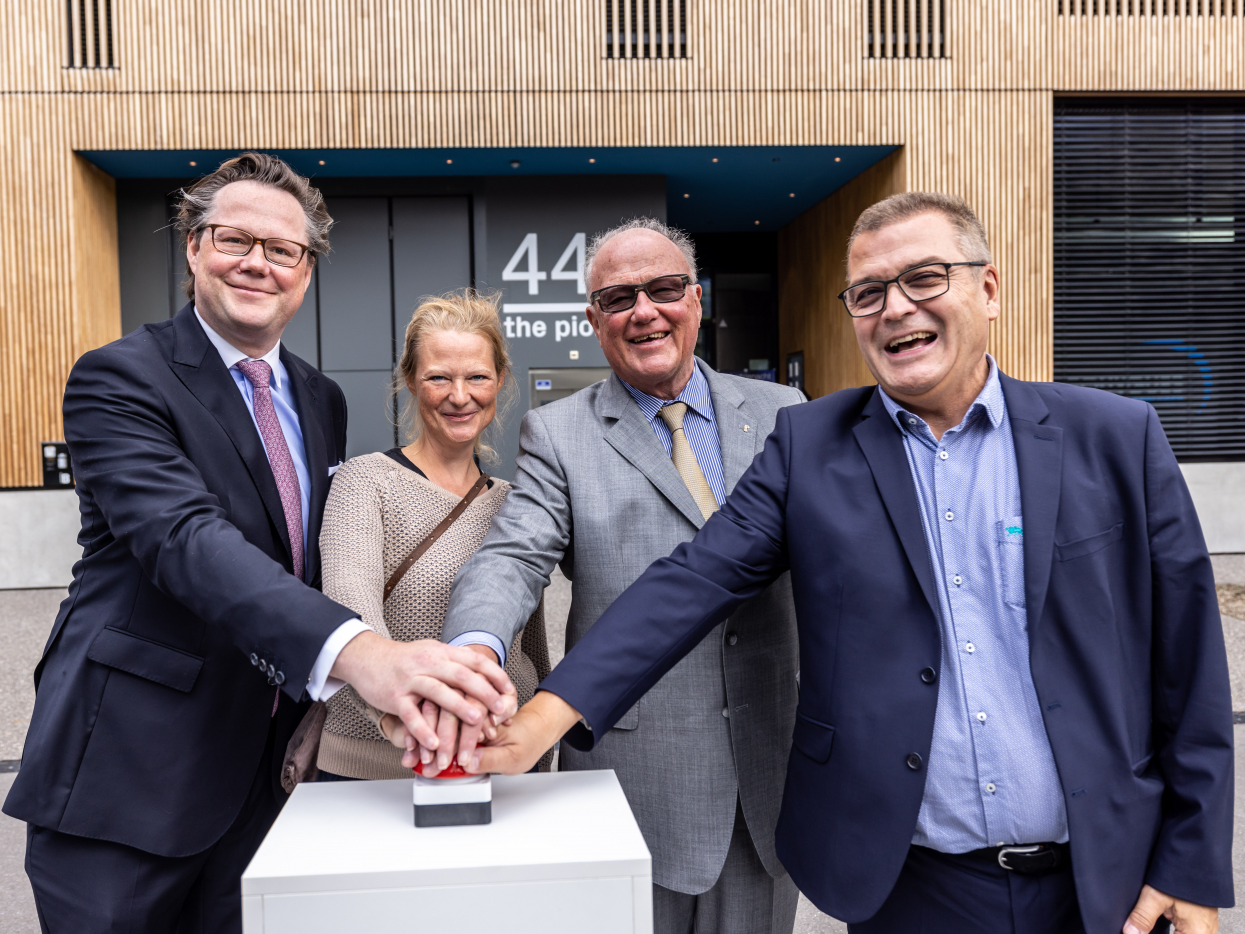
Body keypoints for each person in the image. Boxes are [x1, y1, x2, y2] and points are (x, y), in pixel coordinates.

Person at [472, 193, 1234, 934]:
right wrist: (541, 718)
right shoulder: (814, 446)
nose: (896, 307)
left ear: (989, 288)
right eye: (869, 292)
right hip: (914, 883)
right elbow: (692, 579)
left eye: (923, 278)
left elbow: (1188, 665)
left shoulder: (1115, 436)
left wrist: (1192, 863)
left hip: (1105, 879)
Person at [1, 152, 516, 934]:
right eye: (234, 239)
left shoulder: (319, 398)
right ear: (193, 247)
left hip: (265, 777)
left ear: (306, 271)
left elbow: (305, 563)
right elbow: (184, 541)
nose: (257, 263)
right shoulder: (119, 378)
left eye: (283, 250)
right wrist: (366, 657)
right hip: (132, 772)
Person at [426, 218, 807, 934]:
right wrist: (475, 648)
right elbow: (513, 555)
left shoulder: (785, 414)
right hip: (636, 778)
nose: (644, 311)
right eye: (618, 297)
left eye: (663, 289)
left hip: (770, 768)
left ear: (696, 300)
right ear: (593, 319)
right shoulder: (558, 432)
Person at [315, 291, 551, 780]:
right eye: (439, 377)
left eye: (477, 377)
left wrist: (537, 755)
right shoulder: (365, 482)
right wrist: (396, 718)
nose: (460, 396)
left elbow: (531, 651)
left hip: (498, 767)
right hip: (378, 770)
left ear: (501, 381)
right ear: (410, 382)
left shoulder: (515, 500)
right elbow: (349, 617)